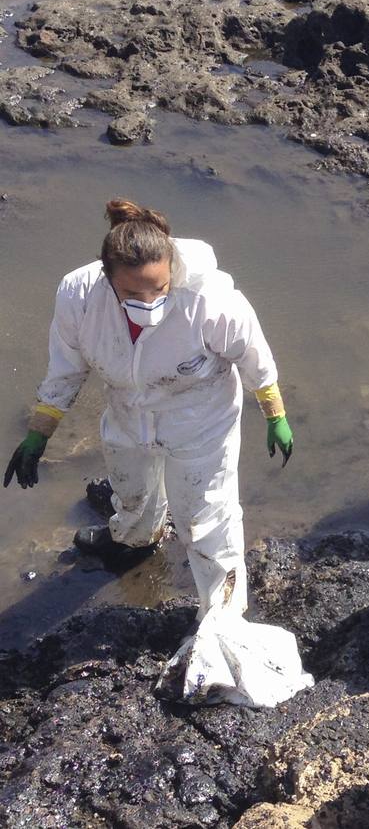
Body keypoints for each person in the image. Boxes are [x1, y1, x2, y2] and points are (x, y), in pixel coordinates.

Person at [4, 200, 310, 707]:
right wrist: (40, 432)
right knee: (131, 489)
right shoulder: (79, 298)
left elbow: (254, 355)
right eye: (132, 293)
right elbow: (66, 368)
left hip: (201, 418)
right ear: (107, 279)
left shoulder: (210, 300)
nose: (148, 301)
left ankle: (223, 612)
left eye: (159, 289)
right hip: (128, 415)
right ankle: (135, 539)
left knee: (205, 516)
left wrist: (274, 414)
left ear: (172, 271)